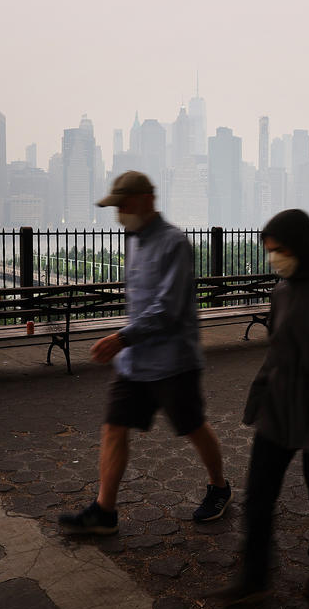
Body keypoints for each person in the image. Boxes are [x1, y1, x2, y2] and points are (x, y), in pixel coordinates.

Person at [58, 171, 232, 535]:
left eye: (123, 204)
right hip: (135, 361)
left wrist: (121, 338)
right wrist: (127, 343)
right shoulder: (133, 240)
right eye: (115, 206)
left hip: (173, 361)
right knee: (114, 428)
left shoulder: (174, 243)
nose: (118, 212)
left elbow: (168, 307)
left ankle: (219, 487)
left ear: (146, 199)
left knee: (193, 427)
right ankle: (105, 511)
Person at [215, 209, 309, 605]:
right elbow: (275, 354)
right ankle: (254, 576)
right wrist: (258, 397)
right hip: (280, 411)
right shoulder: (281, 293)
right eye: (270, 251)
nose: (274, 257)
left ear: (300, 246)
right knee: (259, 495)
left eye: (279, 249)